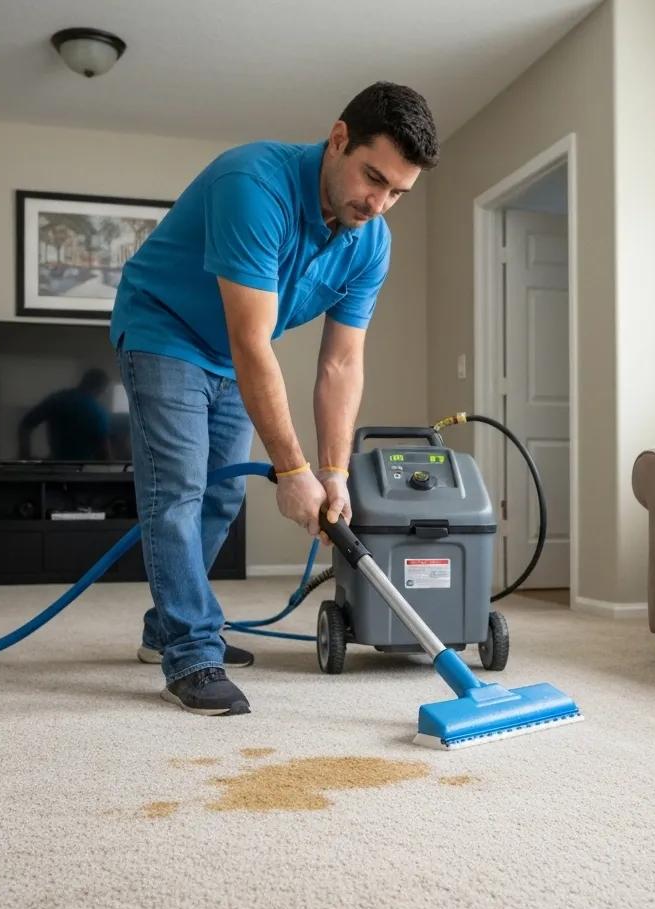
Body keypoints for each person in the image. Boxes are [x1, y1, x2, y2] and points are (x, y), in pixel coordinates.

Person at [111, 81, 438, 717]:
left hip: (231, 352)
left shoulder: (370, 240)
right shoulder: (252, 184)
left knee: (223, 491)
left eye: (398, 191)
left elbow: (342, 361)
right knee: (178, 486)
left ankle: (163, 629)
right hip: (163, 329)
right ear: (338, 139)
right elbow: (252, 340)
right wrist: (291, 471)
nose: (379, 202)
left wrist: (333, 471)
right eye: (373, 178)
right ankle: (190, 650)